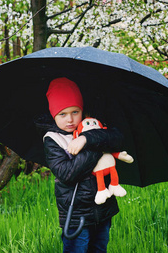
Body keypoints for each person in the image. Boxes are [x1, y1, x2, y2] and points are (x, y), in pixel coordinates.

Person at [42, 77, 123, 253]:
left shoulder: (91, 126)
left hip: (103, 210)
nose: (70, 120)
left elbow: (117, 139)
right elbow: (67, 173)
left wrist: (87, 138)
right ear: (53, 114)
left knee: (99, 249)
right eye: (62, 114)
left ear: (82, 110)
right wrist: (95, 147)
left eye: (75, 112)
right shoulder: (53, 140)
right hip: (75, 213)